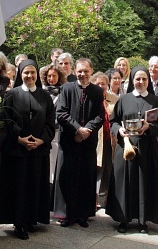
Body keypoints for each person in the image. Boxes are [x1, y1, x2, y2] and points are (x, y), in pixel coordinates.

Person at [106, 66, 158, 234]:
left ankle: (143, 220)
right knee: (125, 182)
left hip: (147, 148)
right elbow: (113, 121)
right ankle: (123, 219)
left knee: (144, 182)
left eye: (144, 79)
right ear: (132, 81)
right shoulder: (124, 99)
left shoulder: (155, 100)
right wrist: (119, 130)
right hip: (125, 147)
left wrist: (149, 126)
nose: (141, 82)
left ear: (148, 81)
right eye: (137, 79)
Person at [0, 60, 55, 240]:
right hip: (17, 150)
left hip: (37, 150)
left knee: (35, 185)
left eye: (32, 73)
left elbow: (50, 122)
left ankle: (32, 218)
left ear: (37, 75)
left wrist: (41, 140)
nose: (29, 76)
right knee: (19, 186)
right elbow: (5, 120)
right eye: (26, 73)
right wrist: (19, 139)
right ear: (20, 74)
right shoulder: (11, 95)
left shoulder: (44, 96)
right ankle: (18, 222)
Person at [52, 58, 104, 227]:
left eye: (86, 71)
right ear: (75, 71)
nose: (83, 74)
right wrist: (77, 129)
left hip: (87, 142)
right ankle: (66, 215)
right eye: (80, 71)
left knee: (85, 177)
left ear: (91, 71)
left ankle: (83, 214)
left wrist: (86, 130)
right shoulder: (66, 89)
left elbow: (100, 115)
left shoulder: (97, 91)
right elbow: (61, 113)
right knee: (67, 177)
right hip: (69, 141)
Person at [91, 72, 119, 209]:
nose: (101, 86)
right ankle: (93, 200)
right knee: (96, 170)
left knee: (110, 169)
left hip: (111, 139)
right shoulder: (91, 97)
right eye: (98, 84)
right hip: (96, 139)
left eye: (104, 83)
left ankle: (109, 200)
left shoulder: (115, 98)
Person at [41, 63, 66, 184]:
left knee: (56, 160)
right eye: (49, 76)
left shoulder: (63, 92)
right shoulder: (41, 92)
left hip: (57, 132)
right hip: (44, 132)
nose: (51, 79)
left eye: (54, 76)